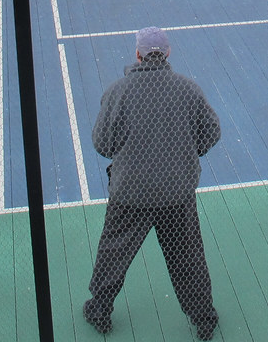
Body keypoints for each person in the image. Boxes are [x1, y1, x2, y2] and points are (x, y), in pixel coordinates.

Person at [84, 27, 221, 340]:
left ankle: (100, 310)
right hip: (176, 194)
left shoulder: (118, 92)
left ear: (138, 55)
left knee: (113, 254)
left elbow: (102, 144)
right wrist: (189, 151)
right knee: (187, 258)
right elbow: (211, 132)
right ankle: (203, 318)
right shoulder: (188, 90)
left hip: (130, 195)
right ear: (168, 53)